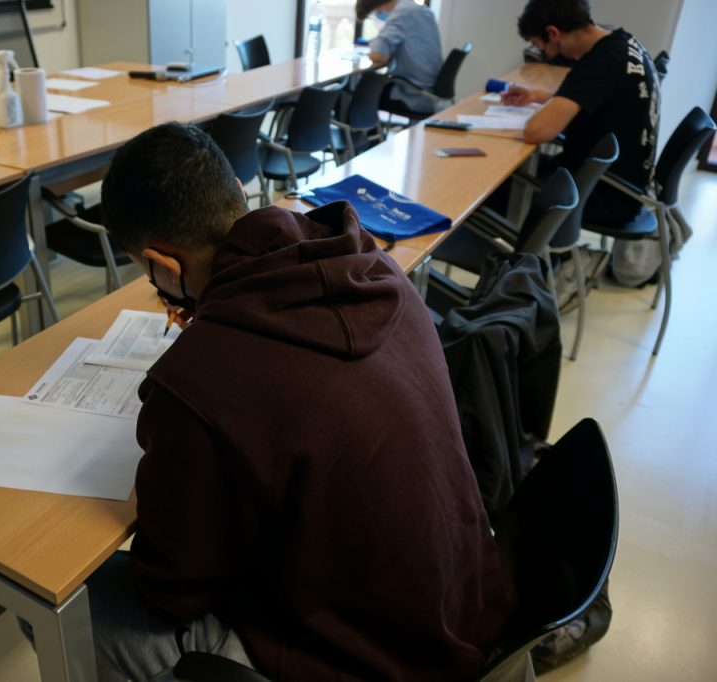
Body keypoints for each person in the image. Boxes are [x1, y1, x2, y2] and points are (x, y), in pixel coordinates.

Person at [85, 121, 517, 680]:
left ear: (162, 266)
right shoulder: (373, 266)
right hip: (466, 605)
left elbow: (172, 590)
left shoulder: (195, 379)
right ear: (238, 193)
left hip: (371, 662)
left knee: (75, 605)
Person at [504, 0, 660, 225]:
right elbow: (594, 98)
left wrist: (545, 112)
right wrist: (539, 96)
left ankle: (511, 258)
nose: (544, 53)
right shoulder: (622, 43)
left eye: (540, 45)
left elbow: (536, 132)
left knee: (486, 190)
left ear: (553, 33)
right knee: (514, 174)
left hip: (603, 197)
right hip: (621, 185)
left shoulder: (601, 62)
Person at [355, 0, 444, 114]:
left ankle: (359, 131)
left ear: (378, 7)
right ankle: (369, 131)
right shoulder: (418, 9)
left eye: (373, 12)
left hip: (415, 93)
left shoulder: (402, 13)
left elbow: (376, 55)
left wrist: (378, 48)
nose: (377, 14)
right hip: (432, 91)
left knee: (363, 94)